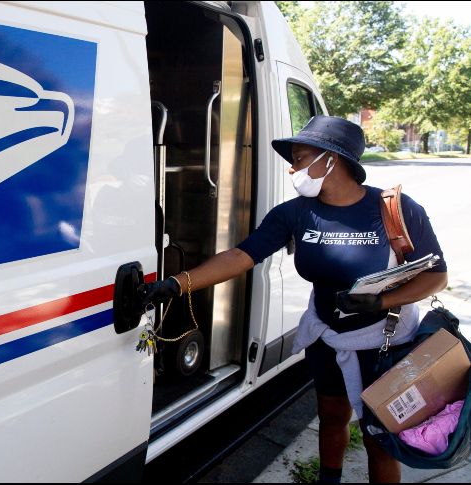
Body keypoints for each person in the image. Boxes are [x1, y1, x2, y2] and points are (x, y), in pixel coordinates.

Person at [141, 115, 448, 483]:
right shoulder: (295, 213)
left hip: (383, 342)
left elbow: (436, 277)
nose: (292, 168)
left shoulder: (394, 209)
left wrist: (381, 303)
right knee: (331, 415)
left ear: (331, 159)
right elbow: (243, 255)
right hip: (326, 336)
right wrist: (177, 284)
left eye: (300, 158)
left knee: (377, 437)